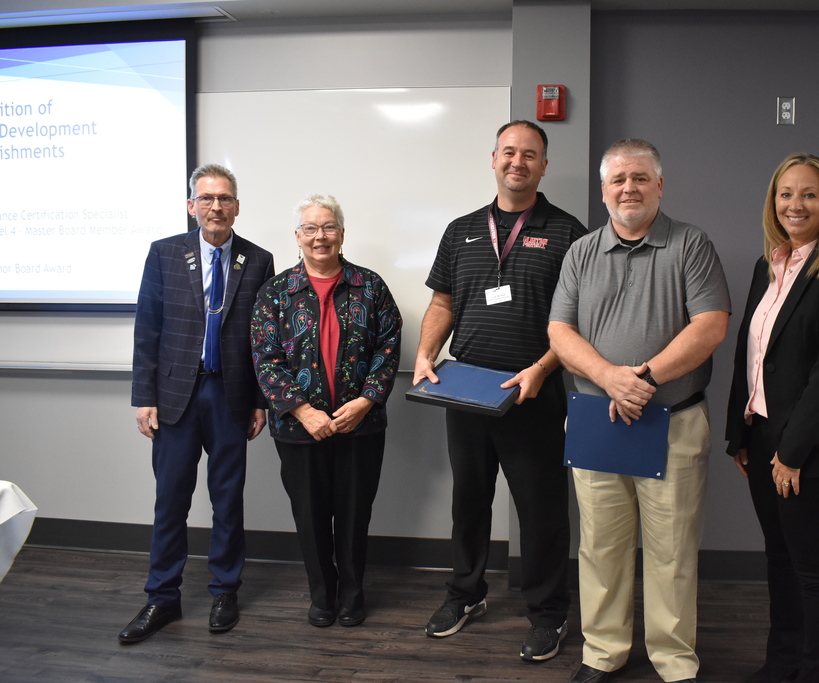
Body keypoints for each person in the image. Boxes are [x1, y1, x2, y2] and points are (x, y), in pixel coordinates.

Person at [549, 138, 731, 683]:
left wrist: (644, 379)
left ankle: (674, 661)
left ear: (659, 185)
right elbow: (560, 330)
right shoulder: (581, 252)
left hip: (670, 420)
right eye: (618, 180)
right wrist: (608, 378)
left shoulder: (690, 245)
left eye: (640, 178)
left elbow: (711, 325)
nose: (629, 188)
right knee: (601, 546)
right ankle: (602, 652)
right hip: (595, 421)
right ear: (603, 190)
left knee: (671, 550)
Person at [414, 120, 587, 661]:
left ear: (543, 165)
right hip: (466, 391)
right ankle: (466, 594)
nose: (518, 162)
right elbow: (442, 303)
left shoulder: (567, 232)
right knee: (468, 502)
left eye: (529, 154)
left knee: (541, 511)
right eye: (509, 152)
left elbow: (580, 320)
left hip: (533, 393)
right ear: (493, 159)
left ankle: (548, 613)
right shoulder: (461, 229)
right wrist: (423, 353)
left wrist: (541, 368)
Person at [725, 153, 819, 683]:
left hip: (814, 450)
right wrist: (741, 433)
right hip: (765, 440)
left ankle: (816, 674)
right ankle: (780, 666)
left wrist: (791, 453)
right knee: (781, 567)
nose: (796, 204)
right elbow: (752, 354)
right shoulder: (769, 265)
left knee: (814, 576)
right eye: (786, 193)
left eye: (809, 194)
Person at [121, 164, 275, 643]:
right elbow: (147, 327)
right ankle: (162, 597)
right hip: (174, 397)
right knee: (170, 501)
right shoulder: (165, 253)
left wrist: (259, 401)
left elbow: (261, 339)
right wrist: (144, 396)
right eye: (206, 198)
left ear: (236, 206)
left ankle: (225, 590)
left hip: (229, 396)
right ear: (192, 205)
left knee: (228, 500)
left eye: (224, 198)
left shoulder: (259, 259)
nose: (215, 206)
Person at [251, 193, 401, 628]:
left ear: (341, 232)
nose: (321, 236)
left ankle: (353, 594)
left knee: (355, 515)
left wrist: (366, 400)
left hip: (362, 424)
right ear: (297, 237)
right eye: (311, 229)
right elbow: (264, 357)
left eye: (329, 227)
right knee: (311, 516)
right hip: (299, 429)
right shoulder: (276, 292)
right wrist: (302, 411)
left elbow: (388, 346)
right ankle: (322, 595)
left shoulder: (370, 286)